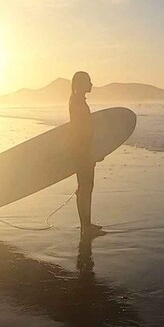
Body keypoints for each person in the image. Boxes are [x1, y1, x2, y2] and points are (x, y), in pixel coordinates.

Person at [70, 71, 105, 238]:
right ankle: (86, 226)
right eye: (88, 81)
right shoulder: (77, 102)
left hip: (82, 151)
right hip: (82, 151)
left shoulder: (76, 101)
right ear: (80, 83)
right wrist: (91, 152)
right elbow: (81, 131)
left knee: (85, 188)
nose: (91, 84)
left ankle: (86, 225)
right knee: (85, 188)